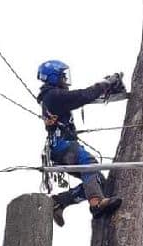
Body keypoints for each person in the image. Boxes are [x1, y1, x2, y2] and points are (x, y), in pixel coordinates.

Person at [37, 60, 123, 227]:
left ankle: (59, 202)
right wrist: (105, 84)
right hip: (62, 145)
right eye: (62, 77)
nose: (65, 81)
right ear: (54, 78)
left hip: (61, 147)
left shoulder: (53, 96)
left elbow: (81, 96)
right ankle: (96, 204)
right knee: (89, 164)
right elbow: (82, 96)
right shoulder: (53, 96)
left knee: (97, 181)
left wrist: (103, 86)